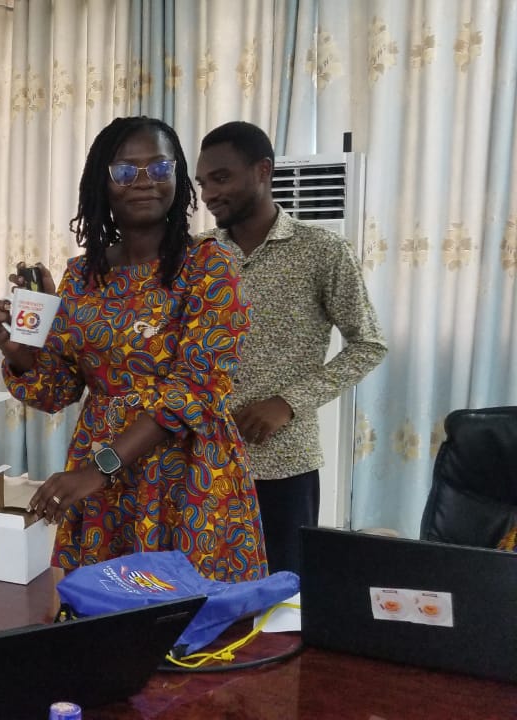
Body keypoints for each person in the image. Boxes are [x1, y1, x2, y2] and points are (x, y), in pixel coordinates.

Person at [0, 116, 267, 582]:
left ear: (177, 178)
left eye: (159, 169)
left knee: (186, 621)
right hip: (102, 474)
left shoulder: (208, 265)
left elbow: (193, 389)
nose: (143, 182)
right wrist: (19, 350)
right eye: (124, 171)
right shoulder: (81, 276)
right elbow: (57, 391)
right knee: (103, 619)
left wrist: (100, 468)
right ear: (102, 182)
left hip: (184, 472)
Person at [195, 121, 386, 575]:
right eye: (202, 183)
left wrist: (288, 402)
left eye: (220, 178)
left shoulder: (322, 251)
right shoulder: (197, 255)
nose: (208, 194)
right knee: (205, 590)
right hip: (203, 459)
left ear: (263, 171)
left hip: (282, 463)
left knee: (283, 598)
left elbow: (369, 345)